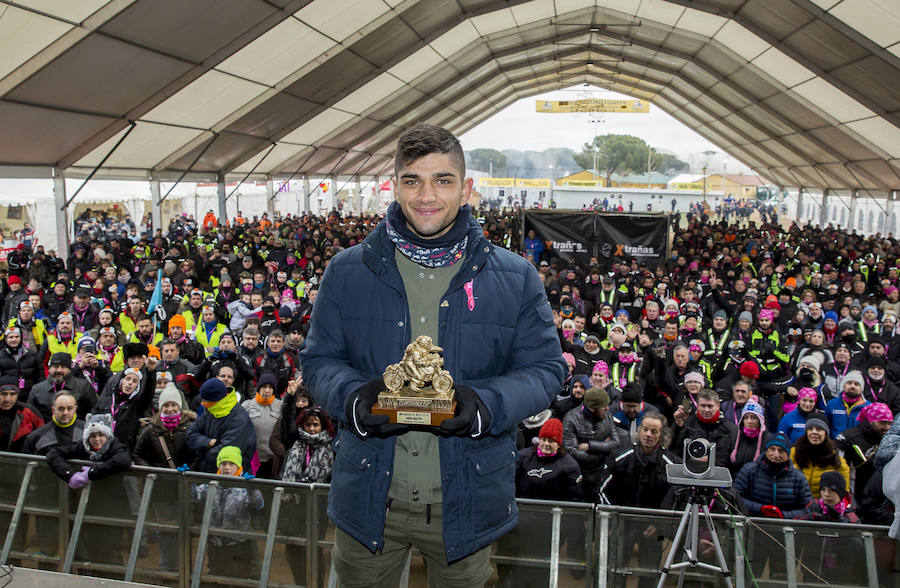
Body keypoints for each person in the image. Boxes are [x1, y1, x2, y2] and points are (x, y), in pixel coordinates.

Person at [299, 123, 565, 586]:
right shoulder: (346, 272)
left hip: (467, 499)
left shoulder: (515, 276)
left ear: (466, 189)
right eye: (413, 180)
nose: (427, 195)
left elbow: (546, 370)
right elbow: (318, 360)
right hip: (368, 497)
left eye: (443, 180)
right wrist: (355, 401)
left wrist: (483, 406)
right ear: (395, 186)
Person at [497, 418, 581, 587]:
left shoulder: (569, 466)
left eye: (551, 441)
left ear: (559, 443)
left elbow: (575, 499)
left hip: (547, 527)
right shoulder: (523, 457)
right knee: (512, 558)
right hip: (520, 522)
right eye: (544, 439)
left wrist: (564, 530)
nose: (546, 444)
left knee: (539, 569)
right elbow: (509, 484)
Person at [598, 412, 677, 588]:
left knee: (649, 576)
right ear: (639, 431)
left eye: (654, 431)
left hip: (653, 529)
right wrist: (614, 519)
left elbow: (676, 498)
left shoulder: (670, 464)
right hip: (622, 526)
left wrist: (659, 523)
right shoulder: (620, 457)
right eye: (646, 430)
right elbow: (602, 490)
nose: (649, 435)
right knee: (615, 572)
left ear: (661, 435)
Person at [45, 413, 132, 566]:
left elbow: (124, 460)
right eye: (92, 436)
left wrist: (91, 473)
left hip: (113, 508)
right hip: (88, 508)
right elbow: (53, 454)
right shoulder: (83, 447)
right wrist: (70, 475)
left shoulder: (116, 446)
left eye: (101, 435)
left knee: (110, 552)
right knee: (92, 549)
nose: (97, 439)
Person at [733, 433, 812, 578]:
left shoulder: (798, 478)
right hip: (754, 532)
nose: (776, 454)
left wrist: (783, 515)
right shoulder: (750, 470)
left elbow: (808, 509)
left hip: (784, 536)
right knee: (749, 574)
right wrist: (761, 509)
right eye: (772, 449)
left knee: (781, 578)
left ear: (788, 453)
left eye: (781, 451)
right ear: (766, 450)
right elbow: (735, 498)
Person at [191, 446, 264, 578]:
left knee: (238, 574)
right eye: (223, 464)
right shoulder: (211, 485)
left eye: (232, 464)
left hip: (238, 541)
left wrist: (253, 489)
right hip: (215, 541)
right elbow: (194, 495)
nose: (227, 468)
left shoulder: (245, 486)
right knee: (216, 573)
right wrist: (187, 480)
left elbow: (259, 505)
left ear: (238, 466)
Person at [562, 386, 629, 501]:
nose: (608, 408)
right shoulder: (571, 418)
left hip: (602, 472)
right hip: (580, 475)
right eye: (604, 406)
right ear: (593, 407)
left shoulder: (607, 416)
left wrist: (589, 446)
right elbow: (572, 450)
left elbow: (616, 443)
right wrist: (602, 450)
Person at [185, 378, 256, 473]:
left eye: (206, 401)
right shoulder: (210, 411)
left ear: (217, 400)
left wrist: (201, 451)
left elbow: (226, 453)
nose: (203, 403)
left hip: (231, 475)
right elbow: (190, 435)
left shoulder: (240, 419)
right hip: (206, 471)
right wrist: (208, 442)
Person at [790, 414, 850, 499]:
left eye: (819, 430)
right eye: (810, 429)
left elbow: (844, 484)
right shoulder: (795, 451)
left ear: (825, 433)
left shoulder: (833, 455)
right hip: (798, 500)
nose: (814, 432)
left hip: (824, 503)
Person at [240, 373, 282, 478]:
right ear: (258, 388)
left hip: (273, 462)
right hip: (253, 460)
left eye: (270, 387)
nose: (267, 390)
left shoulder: (280, 406)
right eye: (264, 387)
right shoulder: (247, 405)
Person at [0, 377, 44, 452]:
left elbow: (43, 436)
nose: (7, 399)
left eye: (12, 394)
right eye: (4, 394)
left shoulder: (29, 411)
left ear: (17, 395)